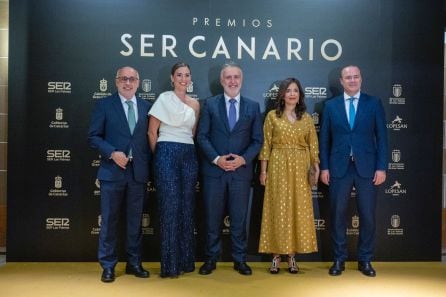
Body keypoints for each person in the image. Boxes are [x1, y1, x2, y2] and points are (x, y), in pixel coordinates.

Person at [319, 65, 388, 277]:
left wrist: (382, 167)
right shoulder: (330, 106)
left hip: (367, 168)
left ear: (361, 79)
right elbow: (324, 140)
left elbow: (383, 138)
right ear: (341, 81)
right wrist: (324, 167)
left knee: (367, 216)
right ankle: (338, 260)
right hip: (339, 168)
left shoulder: (374, 103)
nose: (352, 80)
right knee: (337, 215)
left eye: (356, 76)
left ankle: (365, 260)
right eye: (348, 77)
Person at [197, 62, 263, 276]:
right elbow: (202, 136)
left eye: (236, 77)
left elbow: (257, 140)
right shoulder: (209, 105)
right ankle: (211, 259)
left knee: (238, 219)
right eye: (228, 77)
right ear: (222, 81)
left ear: (241, 80)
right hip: (214, 172)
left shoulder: (252, 107)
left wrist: (243, 160)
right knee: (212, 218)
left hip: (241, 173)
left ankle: (240, 259)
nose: (232, 81)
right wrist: (217, 159)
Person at [88, 66, 151, 283]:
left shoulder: (146, 107)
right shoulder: (104, 105)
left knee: (135, 222)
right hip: (112, 172)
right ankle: (107, 266)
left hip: (138, 173)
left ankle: (134, 263)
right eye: (123, 78)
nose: (128, 82)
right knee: (109, 221)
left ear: (138, 82)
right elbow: (93, 136)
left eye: (132, 79)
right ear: (116, 82)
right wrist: (112, 153)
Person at [258, 77, 320, 274]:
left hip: (301, 167)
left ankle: (292, 256)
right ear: (282, 95)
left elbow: (313, 146)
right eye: (288, 90)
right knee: (278, 208)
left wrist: (316, 168)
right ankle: (276, 256)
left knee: (297, 209)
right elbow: (266, 145)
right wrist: (263, 171)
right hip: (277, 164)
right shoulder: (272, 116)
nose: (292, 93)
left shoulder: (307, 118)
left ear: (300, 95)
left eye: (295, 90)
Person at [148, 62, 200, 278]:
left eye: (187, 75)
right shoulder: (163, 99)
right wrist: (160, 156)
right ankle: (170, 266)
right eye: (179, 75)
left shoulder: (196, 104)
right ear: (172, 78)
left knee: (187, 208)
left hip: (189, 154)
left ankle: (186, 261)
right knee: (170, 208)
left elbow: (192, 133)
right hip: (166, 152)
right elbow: (152, 132)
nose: (183, 79)